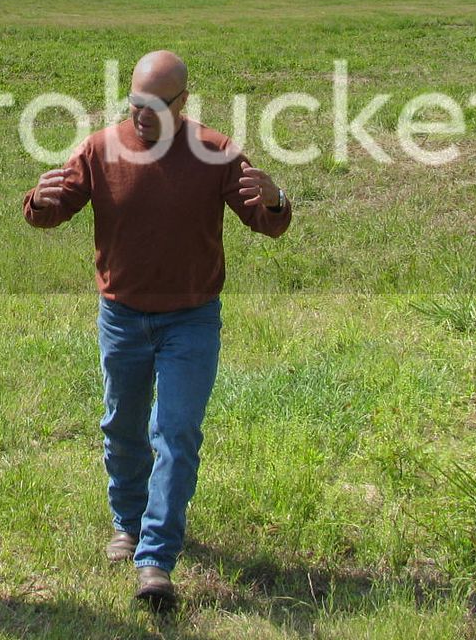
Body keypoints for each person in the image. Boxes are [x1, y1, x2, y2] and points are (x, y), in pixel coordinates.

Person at [22, 50, 291, 610]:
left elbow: (267, 223)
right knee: (121, 424)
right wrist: (39, 201)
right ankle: (127, 521)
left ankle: (155, 559)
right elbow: (53, 210)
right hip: (121, 315)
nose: (141, 114)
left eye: (154, 105)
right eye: (135, 103)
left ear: (183, 102)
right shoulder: (100, 147)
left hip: (191, 319)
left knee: (175, 433)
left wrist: (276, 199)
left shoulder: (215, 152)